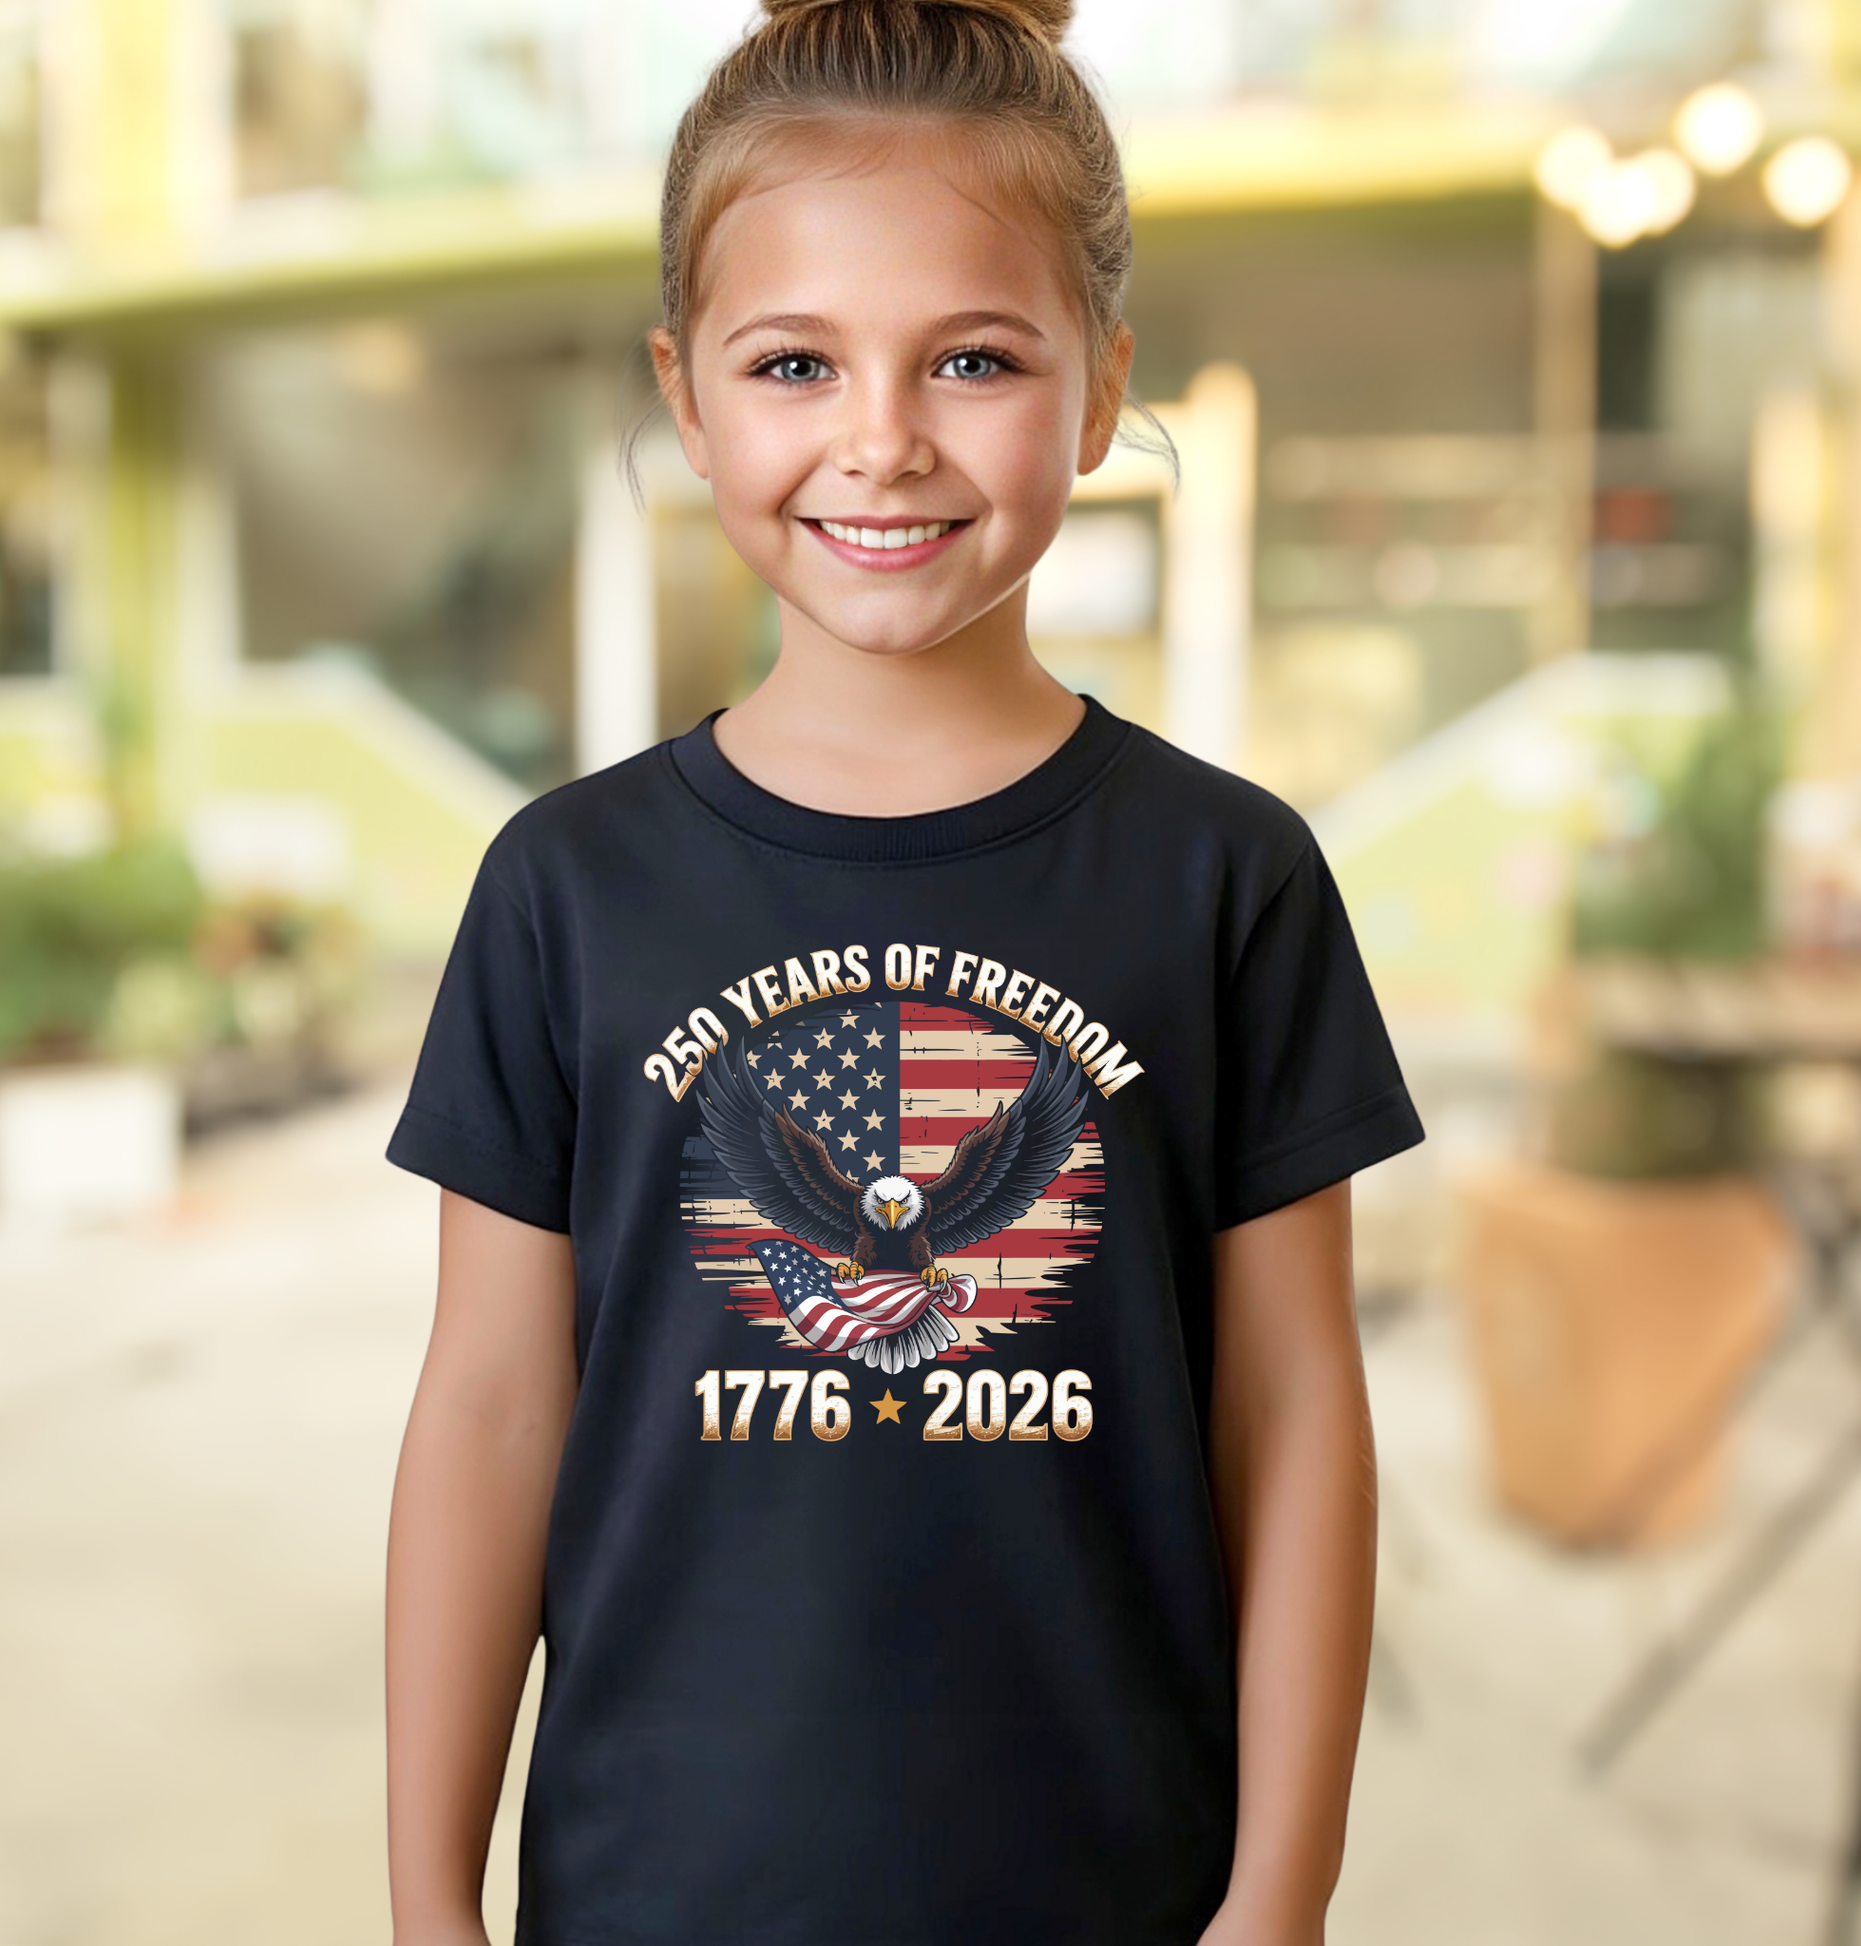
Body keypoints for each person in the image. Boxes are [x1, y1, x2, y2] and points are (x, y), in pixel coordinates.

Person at [383, 0, 1425, 1941]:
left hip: (1114, 1886)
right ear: (686, 397)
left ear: (1099, 389)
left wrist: (1275, 1900)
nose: (881, 440)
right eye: (793, 362)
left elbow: (1292, 1408)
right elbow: (492, 1408)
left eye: (971, 357)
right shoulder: (564, 888)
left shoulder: (1225, 878)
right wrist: (429, 1903)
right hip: (651, 1895)